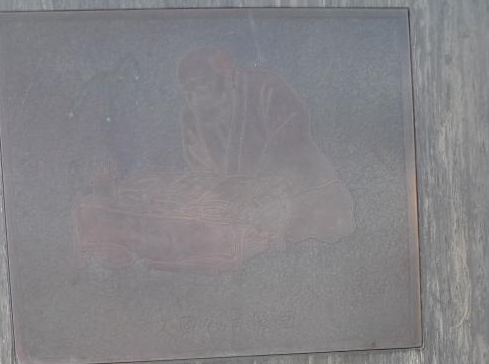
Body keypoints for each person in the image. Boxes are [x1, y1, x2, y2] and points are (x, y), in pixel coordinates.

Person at [73, 46, 355, 274]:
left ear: (225, 76)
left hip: (301, 194)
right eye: (188, 91)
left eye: (200, 86)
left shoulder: (264, 88)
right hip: (238, 205)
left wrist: (259, 187)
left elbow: (292, 142)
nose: (194, 97)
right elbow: (206, 175)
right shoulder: (193, 116)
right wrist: (213, 195)